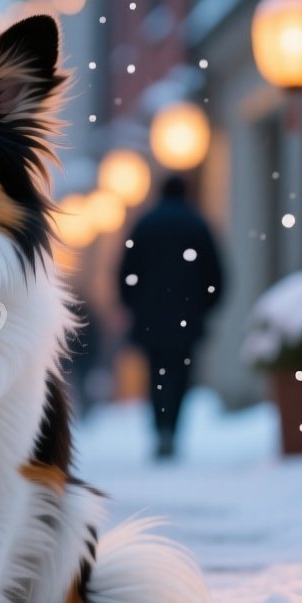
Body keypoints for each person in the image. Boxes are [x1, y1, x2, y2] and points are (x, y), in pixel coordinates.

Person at [117, 175, 225, 460]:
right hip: (187, 317)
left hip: (151, 318)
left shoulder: (145, 225)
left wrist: (134, 304)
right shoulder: (198, 225)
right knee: (181, 374)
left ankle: (160, 428)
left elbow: (126, 272)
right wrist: (204, 306)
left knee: (156, 373)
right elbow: (215, 274)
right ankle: (173, 429)